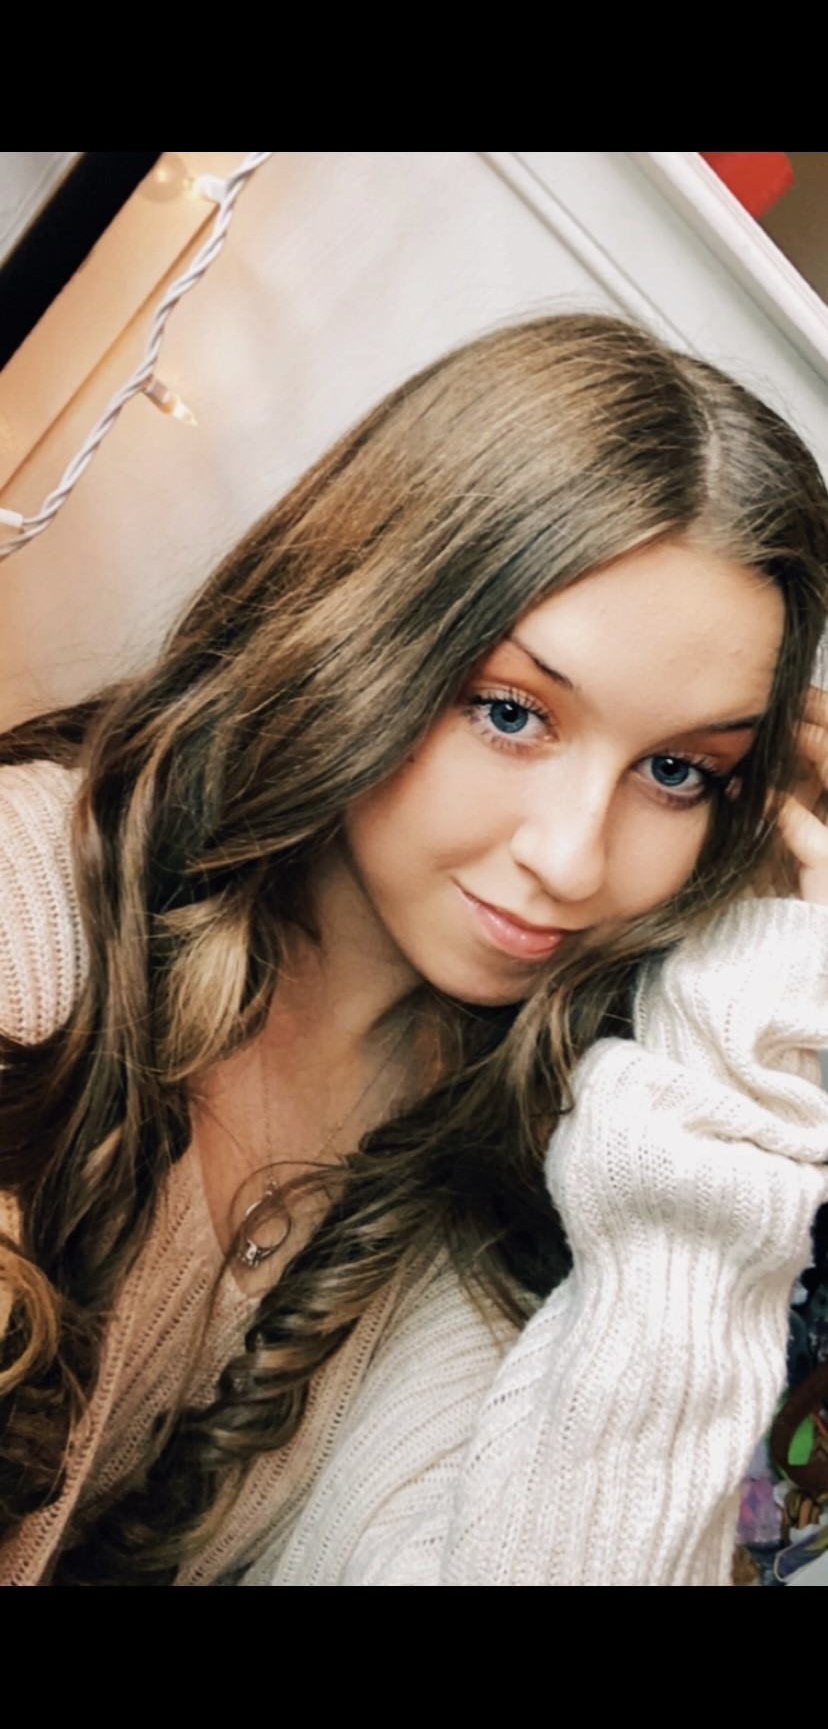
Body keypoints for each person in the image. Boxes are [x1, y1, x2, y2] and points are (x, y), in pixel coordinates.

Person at [1, 311, 827, 1588]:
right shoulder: (33, 904)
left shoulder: (480, 1155)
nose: (573, 857)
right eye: (511, 711)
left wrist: (752, 1024)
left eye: (678, 770)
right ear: (369, 634)